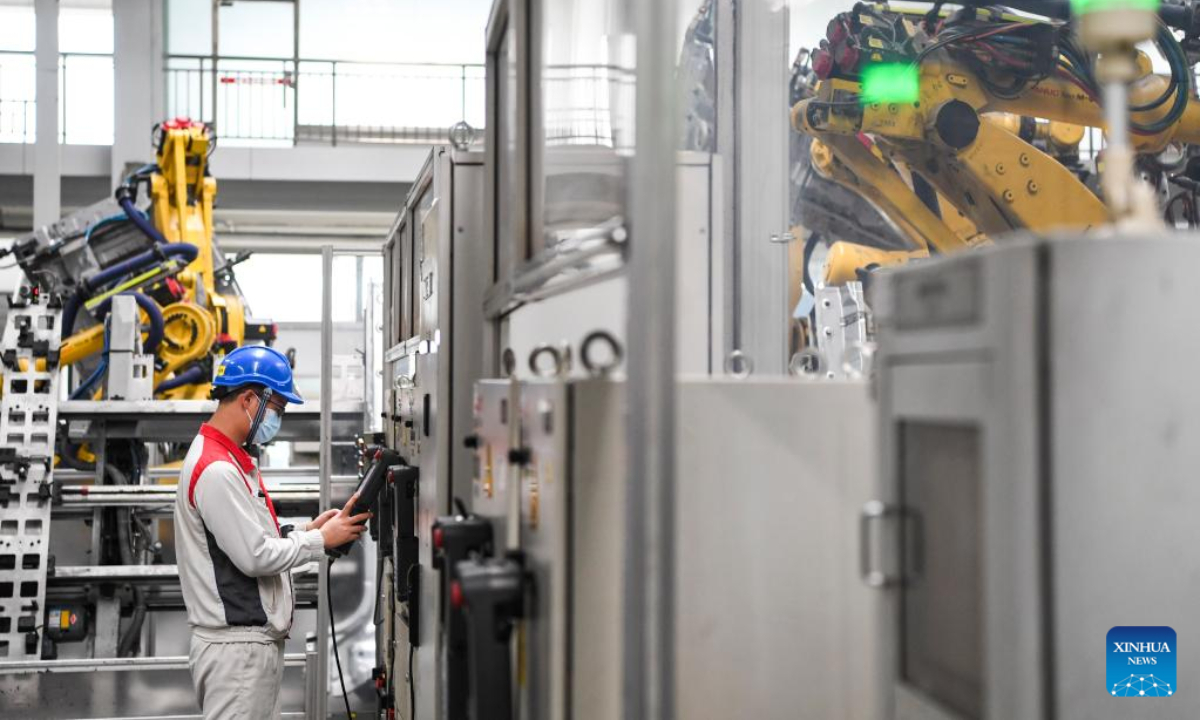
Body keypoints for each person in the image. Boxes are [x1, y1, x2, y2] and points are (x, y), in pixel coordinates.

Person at [174, 345, 370, 719]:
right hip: (237, 653)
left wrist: (307, 529)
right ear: (249, 399)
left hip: (245, 651)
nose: (277, 419)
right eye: (276, 409)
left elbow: (252, 535)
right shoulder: (217, 470)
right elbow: (255, 556)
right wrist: (319, 542)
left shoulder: (230, 459)